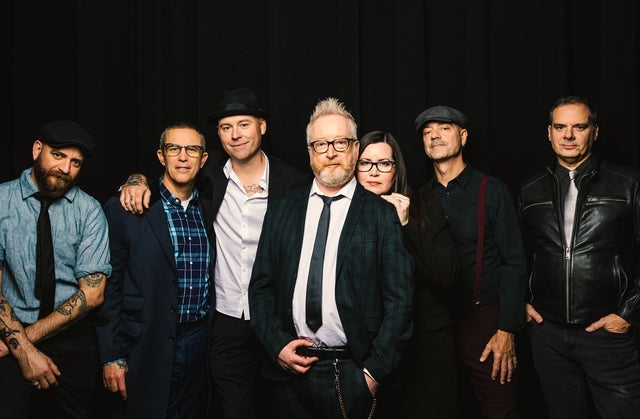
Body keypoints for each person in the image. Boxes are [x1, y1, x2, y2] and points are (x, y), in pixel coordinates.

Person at [118, 88, 310, 419]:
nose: (235, 135)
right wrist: (135, 180)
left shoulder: (293, 182)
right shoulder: (207, 176)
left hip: (277, 319)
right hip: (225, 320)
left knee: (284, 408)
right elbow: (167, 179)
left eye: (244, 124)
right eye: (225, 127)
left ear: (262, 126)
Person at [248, 98, 414, 418]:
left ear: (355, 148)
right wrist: (276, 345)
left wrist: (373, 374)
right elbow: (260, 287)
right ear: (310, 151)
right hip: (288, 373)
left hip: (351, 371)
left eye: (341, 142)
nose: (331, 152)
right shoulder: (282, 209)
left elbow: (401, 302)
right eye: (321, 144)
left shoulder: (380, 215)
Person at [517, 96, 640, 418]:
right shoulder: (530, 191)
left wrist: (627, 313)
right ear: (549, 133)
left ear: (594, 132)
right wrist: (523, 302)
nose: (568, 135)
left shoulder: (629, 184)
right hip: (548, 334)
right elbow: (517, 255)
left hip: (607, 334)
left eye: (579, 127)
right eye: (560, 127)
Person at [415, 105, 527, 418]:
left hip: (485, 321)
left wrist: (506, 329)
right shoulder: (419, 198)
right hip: (435, 324)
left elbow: (514, 262)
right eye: (427, 132)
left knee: (499, 412)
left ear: (463, 137)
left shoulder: (491, 190)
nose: (434, 135)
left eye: (444, 128)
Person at [96, 123, 212, 417]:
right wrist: (111, 355)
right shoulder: (128, 206)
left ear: (203, 159)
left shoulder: (209, 208)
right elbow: (110, 286)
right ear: (161, 156)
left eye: (192, 149)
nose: (183, 157)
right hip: (143, 342)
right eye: (174, 149)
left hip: (198, 339)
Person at [0, 121, 111, 419]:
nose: (65, 169)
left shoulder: (89, 210)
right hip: (8, 329)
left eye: (76, 162)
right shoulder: (1, 202)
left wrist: (23, 344)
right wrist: (22, 350)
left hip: (71, 338)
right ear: (37, 150)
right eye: (58, 155)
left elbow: (93, 294)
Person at [356, 130, 459, 418]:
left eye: (384, 164)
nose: (374, 172)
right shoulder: (346, 213)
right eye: (365, 163)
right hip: (371, 349)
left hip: (426, 348)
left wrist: (407, 225)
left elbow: (446, 275)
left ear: (396, 169)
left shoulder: (426, 207)